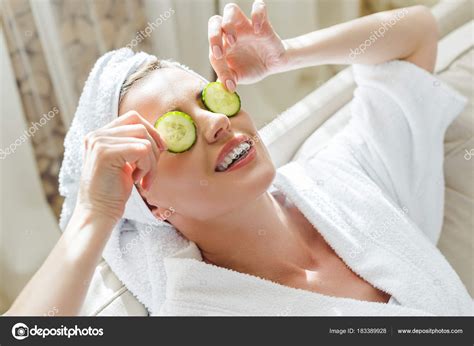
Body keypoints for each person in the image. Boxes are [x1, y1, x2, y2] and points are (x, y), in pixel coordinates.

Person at [5, 2, 468, 316]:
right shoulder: (205, 309)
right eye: (176, 131)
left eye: (210, 98)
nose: (215, 122)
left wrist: (286, 55)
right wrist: (93, 213)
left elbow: (416, 35)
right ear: (151, 203)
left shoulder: (343, 179)